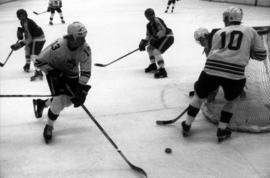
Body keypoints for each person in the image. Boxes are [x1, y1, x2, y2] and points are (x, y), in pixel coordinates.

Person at [181, 7, 267, 142]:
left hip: (211, 70)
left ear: (227, 19)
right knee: (231, 101)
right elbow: (261, 55)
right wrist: (247, 51)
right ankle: (222, 130)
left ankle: (186, 125)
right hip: (235, 74)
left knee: (198, 97)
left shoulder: (219, 32)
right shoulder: (251, 31)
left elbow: (214, 54)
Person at [33, 21, 92, 143]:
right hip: (55, 74)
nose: (83, 40)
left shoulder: (85, 48)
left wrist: (81, 89)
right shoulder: (58, 46)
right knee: (59, 101)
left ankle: (42, 104)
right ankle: (49, 125)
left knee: (69, 101)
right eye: (80, 38)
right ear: (71, 37)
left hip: (71, 74)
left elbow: (86, 71)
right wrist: (52, 71)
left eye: (84, 37)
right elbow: (38, 62)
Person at [10, 9, 46, 81]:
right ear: (18, 17)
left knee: (33, 55)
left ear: (26, 15)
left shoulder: (27, 23)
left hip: (38, 38)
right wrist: (21, 31)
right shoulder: (23, 22)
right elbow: (28, 35)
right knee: (27, 48)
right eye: (20, 16)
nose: (22, 17)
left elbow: (29, 38)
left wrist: (20, 44)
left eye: (23, 15)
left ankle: (38, 72)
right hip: (34, 38)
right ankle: (27, 64)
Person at [139, 8, 174, 78]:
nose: (149, 17)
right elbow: (148, 35)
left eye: (151, 15)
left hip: (168, 37)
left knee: (156, 51)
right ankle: (153, 65)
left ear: (154, 14)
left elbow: (163, 30)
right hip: (159, 38)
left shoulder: (157, 20)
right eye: (147, 16)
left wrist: (155, 37)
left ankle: (162, 70)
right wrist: (144, 42)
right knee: (149, 48)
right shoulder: (148, 25)